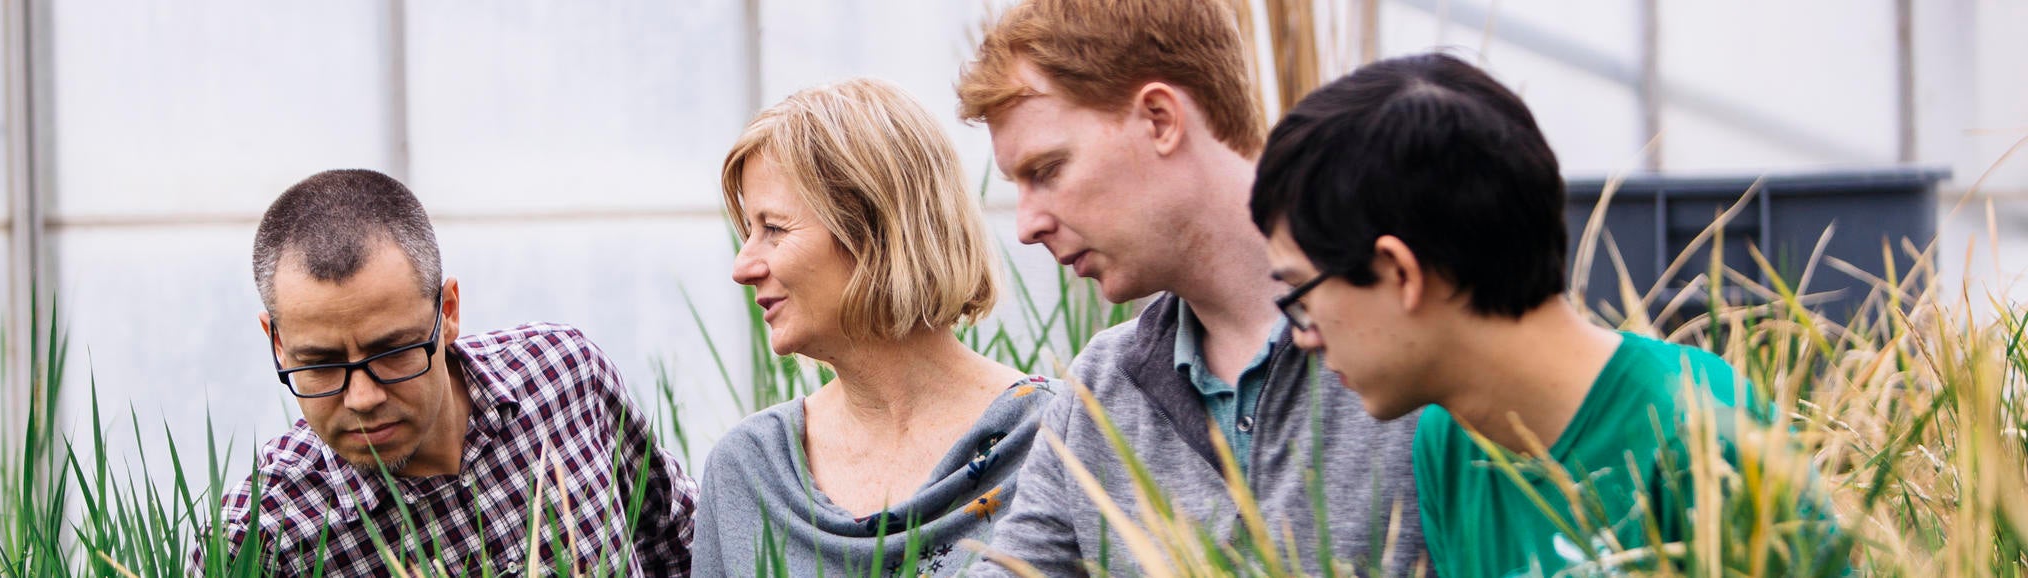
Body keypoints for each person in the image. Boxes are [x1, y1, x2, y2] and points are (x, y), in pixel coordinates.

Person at [1249, 53, 1846, 577]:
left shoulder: (1704, 434)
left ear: (1399, 272)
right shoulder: (1450, 446)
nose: (1302, 335)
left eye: (1302, 292)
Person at [952, 0, 1426, 575]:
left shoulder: (1412, 331)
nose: (1027, 226)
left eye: (1048, 170)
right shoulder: (1101, 392)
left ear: (1159, 118)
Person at [202, 169, 696, 577]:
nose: (362, 397)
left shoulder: (563, 375)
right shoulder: (261, 534)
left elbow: (683, 543)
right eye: (323, 364)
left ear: (449, 312)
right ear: (277, 344)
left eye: (392, 352)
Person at [689, 78, 1065, 577]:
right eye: (748, 233)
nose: (742, 266)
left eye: (773, 229)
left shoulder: (1061, 438)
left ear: (877, 232)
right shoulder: (747, 471)